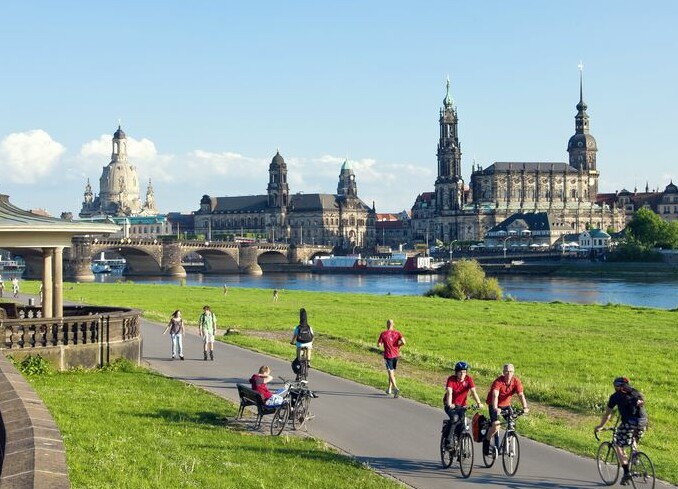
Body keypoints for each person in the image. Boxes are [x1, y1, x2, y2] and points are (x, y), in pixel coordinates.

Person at [595, 377, 648, 486]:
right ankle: (635, 456)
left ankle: (626, 472)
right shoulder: (635, 392)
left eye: (615, 385)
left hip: (629, 423)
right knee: (633, 437)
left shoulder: (615, 396)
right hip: (643, 422)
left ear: (617, 386)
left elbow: (608, 414)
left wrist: (600, 426)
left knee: (619, 444)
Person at [483, 363, 529, 455]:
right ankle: (486, 441)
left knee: (511, 423)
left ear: (513, 372)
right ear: (503, 372)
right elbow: (495, 395)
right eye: (507, 371)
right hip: (493, 404)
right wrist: (496, 408)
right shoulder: (498, 382)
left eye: (511, 371)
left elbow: (521, 395)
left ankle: (506, 446)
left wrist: (525, 407)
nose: (509, 373)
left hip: (506, 405)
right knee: (496, 425)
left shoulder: (516, 381)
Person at [443, 361, 483, 448]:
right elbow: (449, 392)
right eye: (460, 372)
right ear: (456, 372)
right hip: (450, 404)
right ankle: (448, 440)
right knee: (454, 418)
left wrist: (479, 403)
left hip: (461, 405)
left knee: (462, 425)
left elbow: (473, 392)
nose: (462, 374)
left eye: (464, 372)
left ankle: (458, 444)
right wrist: (449, 404)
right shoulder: (451, 379)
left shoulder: (468, 379)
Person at [377, 319, 405, 398]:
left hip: (388, 355)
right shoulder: (397, 333)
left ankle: (395, 388)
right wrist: (398, 346)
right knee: (392, 373)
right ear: (393, 324)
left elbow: (379, 344)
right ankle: (389, 388)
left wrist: (379, 345)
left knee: (390, 373)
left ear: (387, 324)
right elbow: (404, 342)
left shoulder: (383, 334)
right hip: (396, 355)